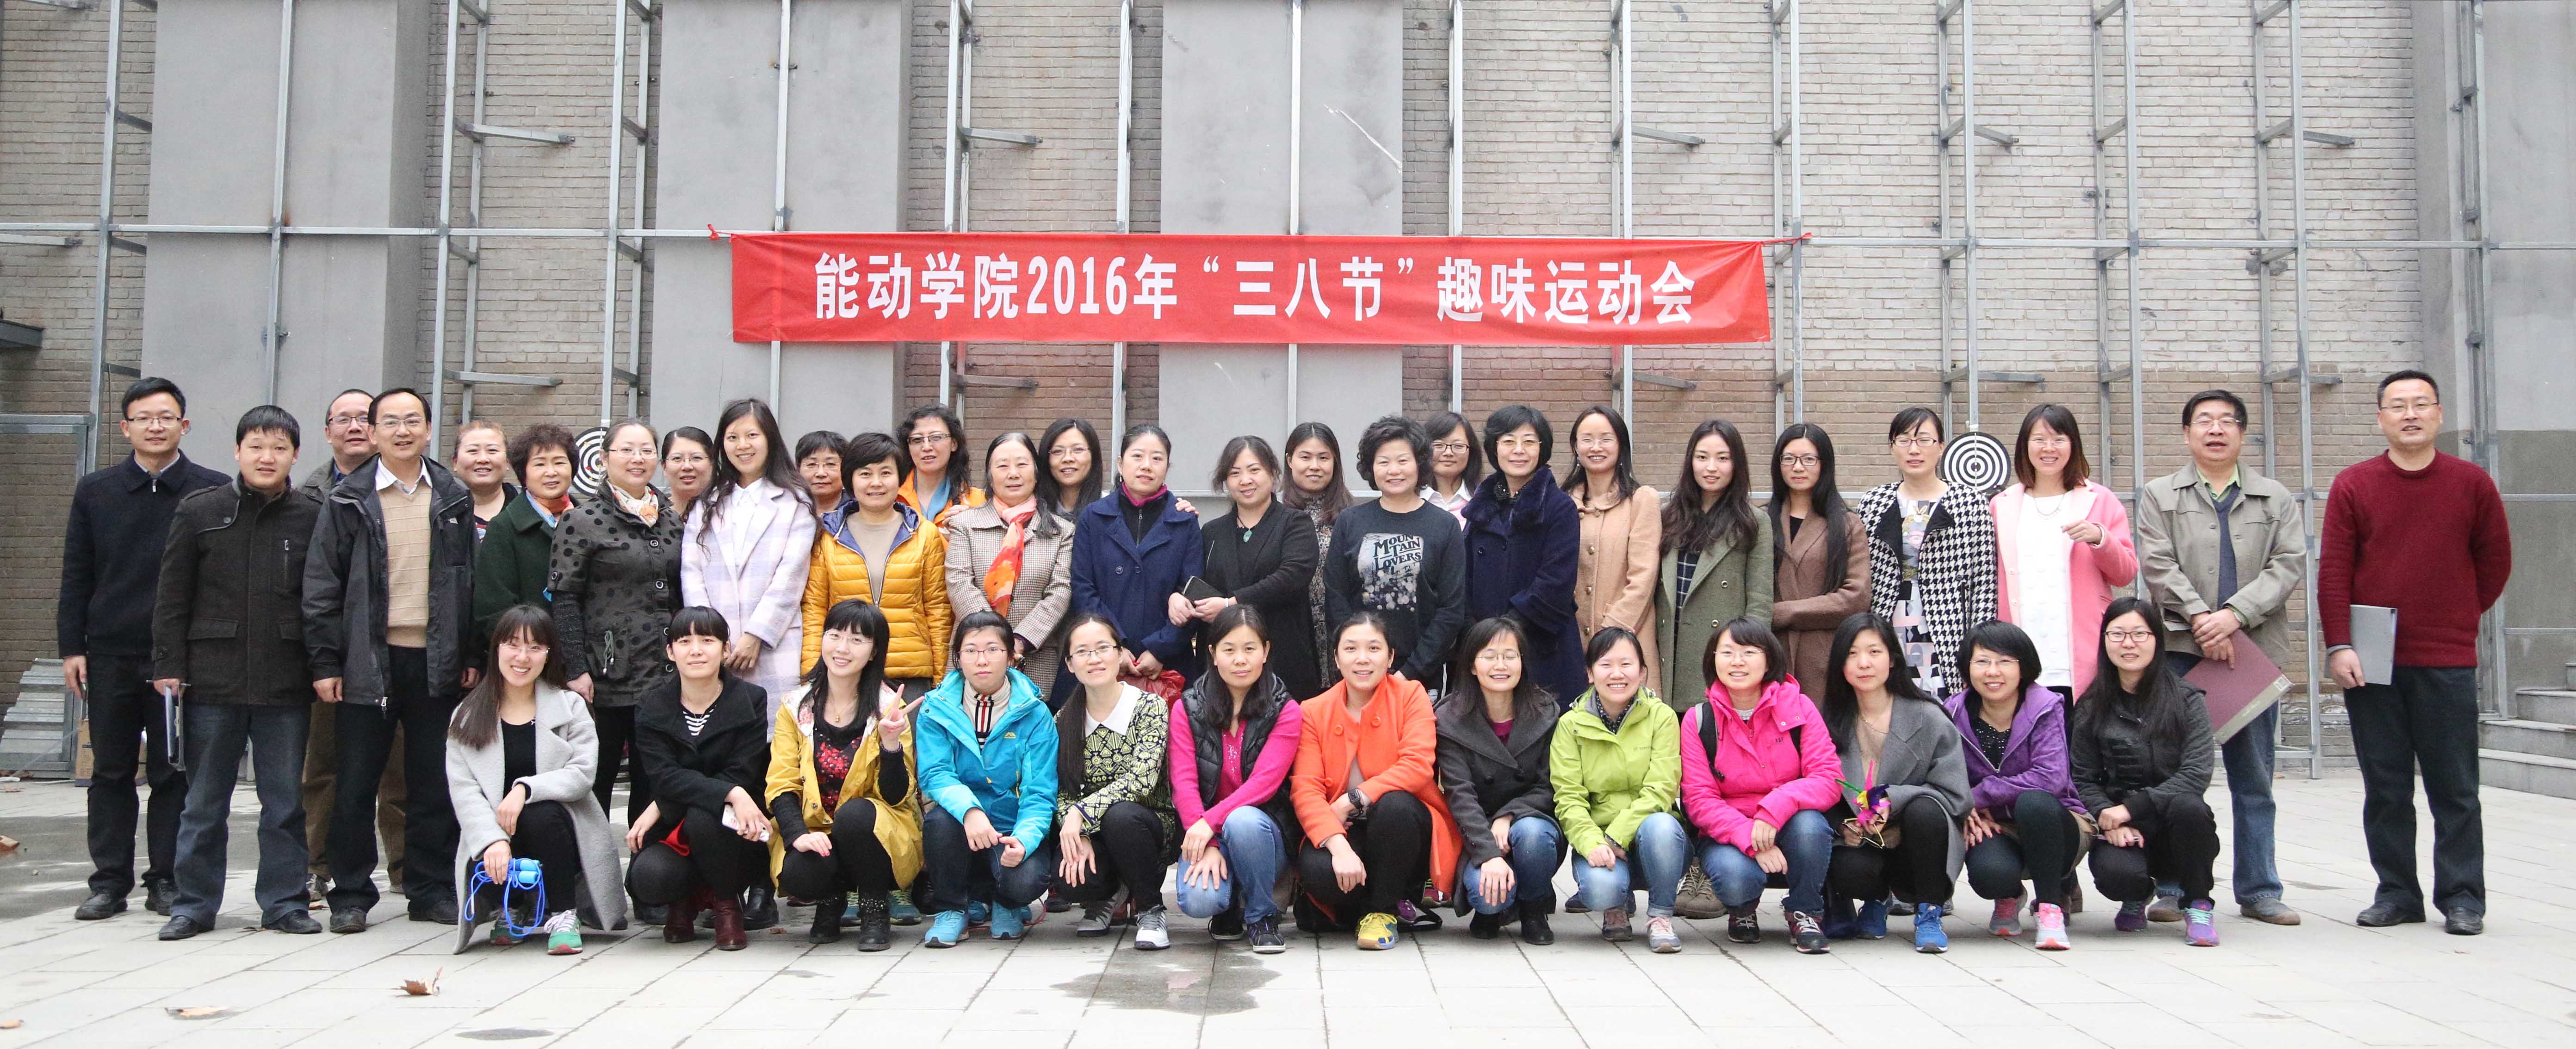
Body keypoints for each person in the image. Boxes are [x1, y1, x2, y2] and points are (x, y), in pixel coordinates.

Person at [2321, 370, 2511, 936]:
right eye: (2398, 406)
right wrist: (2340, 644)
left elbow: (2495, 562)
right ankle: (2397, 894)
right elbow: (2335, 573)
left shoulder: (2471, 483)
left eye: (2421, 404)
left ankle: (2463, 898)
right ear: (2380, 418)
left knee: (2455, 788)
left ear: (2439, 415)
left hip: (2447, 659)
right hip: (2372, 660)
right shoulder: (2354, 484)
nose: (2410, 415)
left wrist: (2456, 616)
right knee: (2386, 788)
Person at [2133, 389, 2309, 927]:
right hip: (2180, 653)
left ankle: (2260, 889)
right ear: (2186, 434)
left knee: (2253, 776)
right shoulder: (2159, 495)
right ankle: (2171, 887)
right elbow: (2157, 564)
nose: (2215, 429)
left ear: (2242, 433)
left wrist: (2232, 616)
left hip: (2249, 655)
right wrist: (2202, 619)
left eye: (2227, 421)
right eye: (2204, 421)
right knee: (2170, 773)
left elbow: (2288, 565)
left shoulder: (2275, 498)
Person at [304, 387, 478, 932]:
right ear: (375, 433)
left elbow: (471, 582)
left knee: (432, 783)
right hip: (366, 659)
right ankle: (352, 895)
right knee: (355, 783)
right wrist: (326, 663)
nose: (402, 431)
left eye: (412, 421)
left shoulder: (452, 494)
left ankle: (429, 890)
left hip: (437, 660)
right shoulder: (348, 499)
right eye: (391, 422)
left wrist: (470, 653)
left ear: (428, 431)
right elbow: (322, 584)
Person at [151, 406, 325, 939]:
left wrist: (324, 666)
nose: (266, 457)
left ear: (296, 455)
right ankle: (194, 905)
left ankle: (285, 903)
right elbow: (172, 596)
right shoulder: (200, 510)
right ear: (237, 451)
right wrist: (168, 665)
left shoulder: (312, 515)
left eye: (278, 448)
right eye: (256, 447)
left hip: (285, 681)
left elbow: (324, 600)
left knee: (284, 804)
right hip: (213, 680)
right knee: (204, 803)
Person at [60, 377, 228, 922]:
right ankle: (109, 882)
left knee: (173, 771)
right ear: (125, 427)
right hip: (110, 652)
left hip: (179, 660)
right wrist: (72, 647)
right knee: (110, 772)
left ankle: (167, 879)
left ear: (185, 425)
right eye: (144, 418)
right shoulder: (96, 491)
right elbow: (77, 573)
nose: (156, 426)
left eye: (166, 417)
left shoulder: (211, 491)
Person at [443, 606, 627, 955]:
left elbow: (582, 774)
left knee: (539, 814)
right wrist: (492, 840)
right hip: (495, 836)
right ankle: (511, 907)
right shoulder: (467, 716)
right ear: (497, 649)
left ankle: (564, 913)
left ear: (548, 655)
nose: (522, 657)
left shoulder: (571, 707)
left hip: (562, 834)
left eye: (535, 647)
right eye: (513, 645)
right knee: (495, 831)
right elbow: (465, 791)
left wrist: (525, 789)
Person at [1289, 612, 1461, 950]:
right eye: (1351, 649)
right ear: (1336, 658)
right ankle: (1363, 907)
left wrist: (1353, 798)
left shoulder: (1411, 695)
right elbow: (1306, 790)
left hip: (1404, 828)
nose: (1363, 658)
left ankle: (1382, 911)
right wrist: (1338, 846)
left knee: (1395, 806)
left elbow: (1418, 765)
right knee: (1321, 872)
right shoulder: (1312, 710)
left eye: (1373, 648)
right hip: (1344, 829)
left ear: (1391, 657)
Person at [548, 420, 681, 834]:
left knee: (653, 781)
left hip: (665, 672)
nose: (637, 459)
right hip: (606, 674)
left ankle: (648, 871)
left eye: (646, 450)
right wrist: (576, 668)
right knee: (597, 780)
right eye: (626, 450)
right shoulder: (582, 520)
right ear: (604, 459)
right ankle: (590, 871)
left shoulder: (673, 519)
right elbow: (564, 598)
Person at [1678, 618, 1842, 953]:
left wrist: (1774, 808)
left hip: (1788, 822)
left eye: (1749, 652)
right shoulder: (1698, 720)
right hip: (1729, 831)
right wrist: (1751, 839)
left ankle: (1805, 911)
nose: (1737, 662)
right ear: (1713, 660)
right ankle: (1742, 910)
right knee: (1736, 879)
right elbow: (1699, 800)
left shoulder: (1800, 708)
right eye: (1727, 652)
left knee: (1812, 827)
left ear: (1769, 660)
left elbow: (1828, 778)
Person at [297, 388, 401, 907]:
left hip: (395, 651)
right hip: (334, 653)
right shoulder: (308, 495)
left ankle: (406, 869)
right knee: (325, 765)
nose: (355, 427)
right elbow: (313, 582)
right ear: (328, 431)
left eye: (365, 418)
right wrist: (322, 655)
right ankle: (317, 867)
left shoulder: (409, 488)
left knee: (400, 769)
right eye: (344, 419)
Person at [768, 599, 919, 952]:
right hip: (817, 829)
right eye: (835, 635)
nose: (842, 648)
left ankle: (874, 905)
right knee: (800, 873)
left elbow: (897, 796)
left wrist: (891, 745)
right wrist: (798, 835)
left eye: (857, 640)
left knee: (856, 816)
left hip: (874, 833)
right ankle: (831, 899)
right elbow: (781, 782)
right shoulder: (795, 707)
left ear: (874, 651)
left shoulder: (889, 708)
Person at [2072, 599, 2222, 946]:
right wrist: (2108, 818)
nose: (2129, 644)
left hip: (2174, 821)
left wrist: (2131, 809)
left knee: (2191, 809)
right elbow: (2081, 777)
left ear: (2157, 640)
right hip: (2120, 825)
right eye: (2118, 634)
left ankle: (2198, 903)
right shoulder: (2091, 705)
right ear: (2104, 641)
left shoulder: (2187, 700)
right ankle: (2137, 894)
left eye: (2140, 634)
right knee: (2115, 875)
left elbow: (2197, 773)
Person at [1817, 613, 1969, 953]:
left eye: (1874, 652)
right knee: (1847, 869)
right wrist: (1842, 825)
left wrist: (1893, 799)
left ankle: (1929, 912)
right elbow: (1813, 788)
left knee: (1926, 811)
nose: (1864, 663)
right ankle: (1876, 900)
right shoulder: (1826, 721)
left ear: (1893, 659)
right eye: (1852, 654)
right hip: (1864, 841)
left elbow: (1956, 795)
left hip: (1918, 841)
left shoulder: (1928, 716)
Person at [624, 607, 773, 951]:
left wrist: (663, 804)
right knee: (650, 879)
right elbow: (663, 775)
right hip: (672, 830)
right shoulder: (651, 704)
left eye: (707, 641)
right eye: (684, 642)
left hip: (734, 833)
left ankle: (727, 905)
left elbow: (742, 772)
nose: (696, 651)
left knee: (704, 817)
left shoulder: (751, 700)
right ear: (670, 652)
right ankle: (683, 900)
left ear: (725, 649)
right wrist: (732, 792)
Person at [914, 611, 1061, 947]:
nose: (982, 660)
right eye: (971, 651)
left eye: (993, 650)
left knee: (1026, 879)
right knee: (939, 823)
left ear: (1011, 657)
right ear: (958, 658)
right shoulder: (936, 708)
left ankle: (1006, 902)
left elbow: (1040, 791)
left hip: (1012, 822)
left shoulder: (1035, 712)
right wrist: (971, 811)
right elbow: (936, 773)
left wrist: (1024, 839)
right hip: (960, 822)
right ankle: (952, 909)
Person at [1946, 619, 2089, 950]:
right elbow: (1946, 773)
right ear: (1967, 667)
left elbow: (2051, 778)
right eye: (1982, 661)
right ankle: (2009, 895)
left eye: (2005, 662)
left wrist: (1981, 795)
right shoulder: (1953, 712)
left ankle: (2050, 907)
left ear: (2024, 667)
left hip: (2056, 820)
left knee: (2034, 802)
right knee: (1989, 875)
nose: (1993, 672)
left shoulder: (2045, 706)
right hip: (1994, 824)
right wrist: (1965, 805)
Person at [1170, 605, 1304, 953]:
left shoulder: (1285, 709)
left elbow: (1265, 784)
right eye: (1229, 650)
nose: (1240, 660)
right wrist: (1209, 843)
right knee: (1199, 901)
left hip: (1262, 832)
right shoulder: (1188, 708)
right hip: (1207, 832)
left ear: (1266, 652)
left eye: (1250, 649)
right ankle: (1229, 907)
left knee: (1242, 820)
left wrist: (1209, 823)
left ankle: (1262, 916)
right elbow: (1184, 783)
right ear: (1213, 654)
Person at [1554, 627, 1690, 951]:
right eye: (1606, 665)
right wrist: (1592, 843)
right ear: (1590, 674)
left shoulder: (1662, 717)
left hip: (1652, 840)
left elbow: (1662, 789)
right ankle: (1615, 906)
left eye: (1626, 664)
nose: (1617, 674)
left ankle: (1660, 916)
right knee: (1601, 891)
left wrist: (1617, 835)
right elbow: (1568, 797)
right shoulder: (1570, 725)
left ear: (1642, 672)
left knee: (1661, 825)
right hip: (1599, 840)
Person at [1050, 613, 1180, 950]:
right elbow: (1062, 789)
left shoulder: (1149, 706)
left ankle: (1151, 909)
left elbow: (1142, 780)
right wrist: (1078, 830)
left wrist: (1082, 813)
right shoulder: (1064, 719)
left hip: (1148, 825)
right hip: (1094, 829)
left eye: (1103, 648)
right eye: (1082, 652)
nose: (1094, 659)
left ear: (1120, 654)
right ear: (1070, 665)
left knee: (1121, 816)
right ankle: (1107, 894)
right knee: (1070, 877)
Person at [683, 398, 818, 715]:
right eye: (733, 437)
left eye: (752, 436)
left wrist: (757, 635)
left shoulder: (795, 501)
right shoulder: (706, 503)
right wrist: (711, 637)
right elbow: (691, 573)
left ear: (769, 439)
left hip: (774, 642)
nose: (742, 446)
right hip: (717, 647)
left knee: (775, 730)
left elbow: (791, 576)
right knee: (719, 728)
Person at [1994, 405, 2137, 700]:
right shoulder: (2002, 504)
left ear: (2074, 445)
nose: (2049, 448)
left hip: (2081, 652)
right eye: (2039, 440)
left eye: (2059, 439)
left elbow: (2126, 574)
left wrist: (2101, 539)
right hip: (2019, 649)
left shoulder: (2101, 500)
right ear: (2024, 446)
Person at [1856, 407, 1998, 701]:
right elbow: (1862, 574)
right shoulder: (1874, 503)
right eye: (1904, 440)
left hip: (1948, 629)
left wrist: (1981, 647)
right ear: (1892, 447)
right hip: (1888, 626)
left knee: (1946, 709)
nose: (1914, 450)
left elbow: (1984, 582)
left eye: (1924, 440)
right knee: (1891, 706)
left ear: (1941, 447)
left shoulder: (1969, 503)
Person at [1437, 617, 1563, 945]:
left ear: (1522, 661)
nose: (1501, 665)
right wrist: (1490, 854)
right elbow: (1460, 796)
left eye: (1510, 656)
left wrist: (1509, 816)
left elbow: (1551, 785)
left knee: (1532, 835)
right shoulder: (1448, 720)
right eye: (1490, 656)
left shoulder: (1546, 712)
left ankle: (1534, 906)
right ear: (1472, 665)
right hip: (1477, 831)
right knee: (1488, 897)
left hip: (1531, 822)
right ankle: (1495, 907)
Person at [1323, 416, 1470, 694]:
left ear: (1420, 464)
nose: (1394, 470)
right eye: (1383, 462)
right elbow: (1336, 598)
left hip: (1419, 678)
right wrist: (1357, 658)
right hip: (1360, 671)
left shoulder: (1445, 526)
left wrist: (1409, 673)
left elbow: (1451, 610)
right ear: (1371, 467)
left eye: (1403, 461)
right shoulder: (1350, 521)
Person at [806, 432, 951, 698]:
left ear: (900, 478)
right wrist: (812, 676)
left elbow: (938, 610)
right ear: (850, 479)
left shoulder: (924, 533)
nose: (876, 483)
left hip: (909, 674)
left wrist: (942, 682)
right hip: (844, 671)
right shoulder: (828, 535)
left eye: (886, 473)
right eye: (865, 474)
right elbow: (815, 610)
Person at [1463, 405, 1585, 703]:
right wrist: (1475, 632)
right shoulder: (1481, 507)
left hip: (1542, 646)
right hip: (1485, 648)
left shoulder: (1559, 507)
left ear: (1542, 449)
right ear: (1494, 448)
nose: (1519, 451)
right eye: (1508, 441)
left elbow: (1556, 582)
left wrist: (1506, 631)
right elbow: (1463, 577)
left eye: (1529, 442)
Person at [1071, 425, 1206, 689]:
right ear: (1120, 464)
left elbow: (1192, 592)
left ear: (1167, 467)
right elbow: (1083, 588)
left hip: (1169, 665)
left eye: (1157, 458)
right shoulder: (1093, 517)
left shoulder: (1185, 521)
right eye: (1137, 456)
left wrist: (1159, 649)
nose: (1147, 466)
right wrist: (1114, 646)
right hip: (1102, 658)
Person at [946, 432, 1076, 697]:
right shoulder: (964, 525)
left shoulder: (1063, 532)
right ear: (990, 475)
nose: (1013, 474)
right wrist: (993, 642)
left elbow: (1060, 592)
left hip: (1034, 656)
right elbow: (959, 583)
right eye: (1003, 466)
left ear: (1036, 473)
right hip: (974, 656)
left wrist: (1017, 643)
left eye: (1022, 464)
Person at [1657, 419, 1776, 707]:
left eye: (1723, 458)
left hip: (1721, 655)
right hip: (1667, 648)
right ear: (1690, 462)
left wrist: (1747, 662)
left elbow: (1760, 604)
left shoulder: (1754, 522)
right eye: (1702, 457)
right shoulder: (1667, 516)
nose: (1711, 468)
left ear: (1737, 465)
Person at [1195, 436, 1323, 700]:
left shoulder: (1296, 523)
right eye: (1235, 473)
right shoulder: (1212, 532)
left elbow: (1292, 576)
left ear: (1273, 474)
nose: (1245, 480)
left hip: (1283, 656)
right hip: (1225, 665)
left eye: (1254, 470)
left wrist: (1231, 604)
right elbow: (1196, 581)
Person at [1566, 406, 1664, 693]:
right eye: (1587, 439)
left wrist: (1610, 635)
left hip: (1628, 641)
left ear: (1621, 445)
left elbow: (1643, 577)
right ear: (1576, 446)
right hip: (1572, 648)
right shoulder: (1562, 503)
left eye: (1606, 439)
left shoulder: (1641, 500)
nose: (1596, 447)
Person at [1769, 423, 1870, 696]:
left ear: (1825, 464)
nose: (1798, 467)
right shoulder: (1761, 522)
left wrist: (1784, 613)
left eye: (1809, 459)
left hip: (1824, 657)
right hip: (1771, 654)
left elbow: (1856, 598)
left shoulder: (1847, 525)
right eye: (1789, 459)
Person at [471, 423, 576, 654]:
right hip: (527, 658)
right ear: (524, 473)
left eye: (559, 462)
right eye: (540, 464)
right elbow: (494, 610)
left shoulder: (589, 521)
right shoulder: (504, 527)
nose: (551, 472)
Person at [1282, 422, 1355, 691]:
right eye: (1306, 457)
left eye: (1324, 458)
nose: (1315, 466)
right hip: (1293, 628)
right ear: (1290, 460)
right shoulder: (1273, 513)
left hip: (1341, 624)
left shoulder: (1352, 517)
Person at [896, 403, 986, 528]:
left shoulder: (979, 502)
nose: (926, 447)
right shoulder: (892, 497)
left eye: (936, 437)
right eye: (917, 440)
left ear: (954, 444)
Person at [453, 420, 515, 543]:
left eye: (492, 451)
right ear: (455, 462)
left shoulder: (529, 508)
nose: (483, 459)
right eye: (473, 451)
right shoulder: (443, 512)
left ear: (508, 462)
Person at [1037, 417, 1107, 521]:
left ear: (1094, 456)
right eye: (1058, 451)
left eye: (1078, 450)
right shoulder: (1034, 512)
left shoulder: (1111, 509)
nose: (1068, 458)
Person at [1421, 410, 1481, 526]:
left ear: (1471, 452)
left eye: (1458, 446)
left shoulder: (1483, 501)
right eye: (1439, 445)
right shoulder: (1410, 499)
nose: (1448, 453)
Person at [660, 426, 715, 521]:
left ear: (712, 465)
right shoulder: (650, 517)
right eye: (677, 458)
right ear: (664, 467)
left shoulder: (728, 514)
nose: (687, 466)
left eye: (697, 458)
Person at [795, 430, 847, 512]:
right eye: (812, 464)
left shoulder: (859, 509)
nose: (821, 473)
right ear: (798, 469)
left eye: (830, 464)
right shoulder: (786, 509)